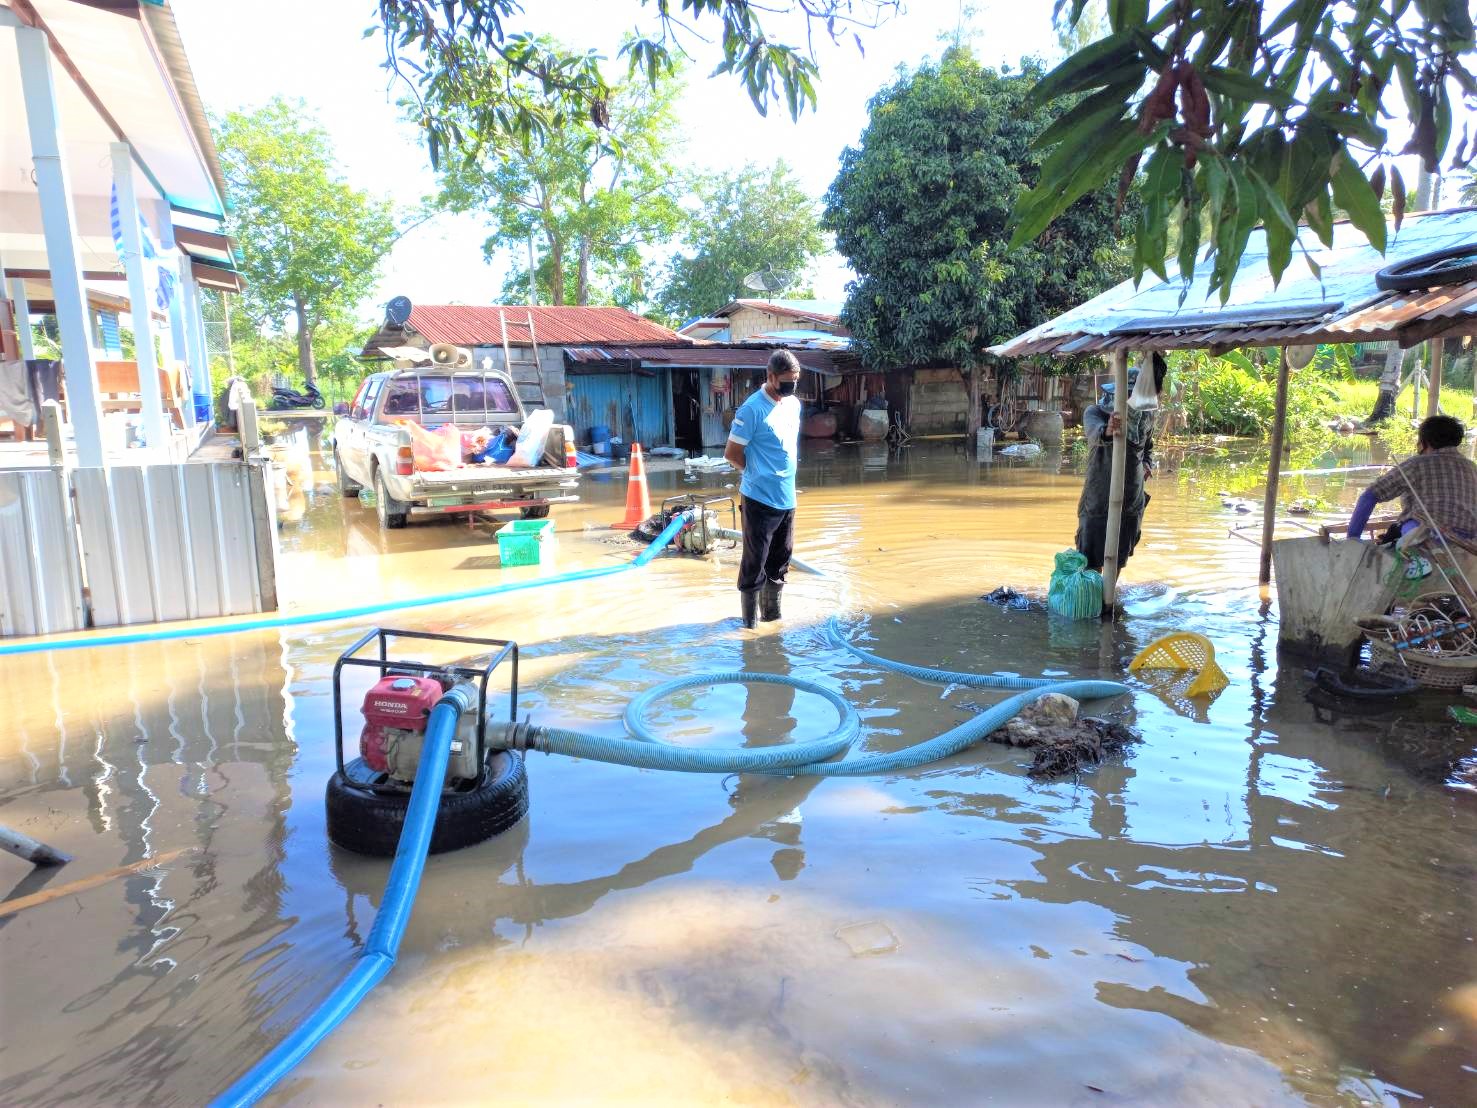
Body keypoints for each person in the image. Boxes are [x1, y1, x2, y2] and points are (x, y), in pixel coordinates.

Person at [724, 350, 802, 628]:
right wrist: (756, 473)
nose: (791, 386)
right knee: (754, 562)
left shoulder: (793, 405)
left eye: (795, 380)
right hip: (758, 499)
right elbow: (732, 453)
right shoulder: (751, 409)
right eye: (786, 380)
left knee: (781, 560)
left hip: (787, 498)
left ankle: (772, 621)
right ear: (770, 377)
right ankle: (749, 628)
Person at [1075, 353, 1166, 572]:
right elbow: (1095, 435)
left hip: (1130, 497)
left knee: (1119, 558)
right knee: (1091, 557)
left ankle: (1109, 601)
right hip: (1099, 495)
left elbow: (1147, 446)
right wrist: (1108, 430)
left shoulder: (1146, 416)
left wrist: (1146, 463)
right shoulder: (1094, 412)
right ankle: (1093, 598)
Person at [1346, 414, 1477, 547]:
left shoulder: (1418, 463)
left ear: (1424, 442)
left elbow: (1370, 495)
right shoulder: (1472, 468)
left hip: (1424, 533)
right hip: (1468, 539)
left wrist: (1352, 539)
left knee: (1409, 525)